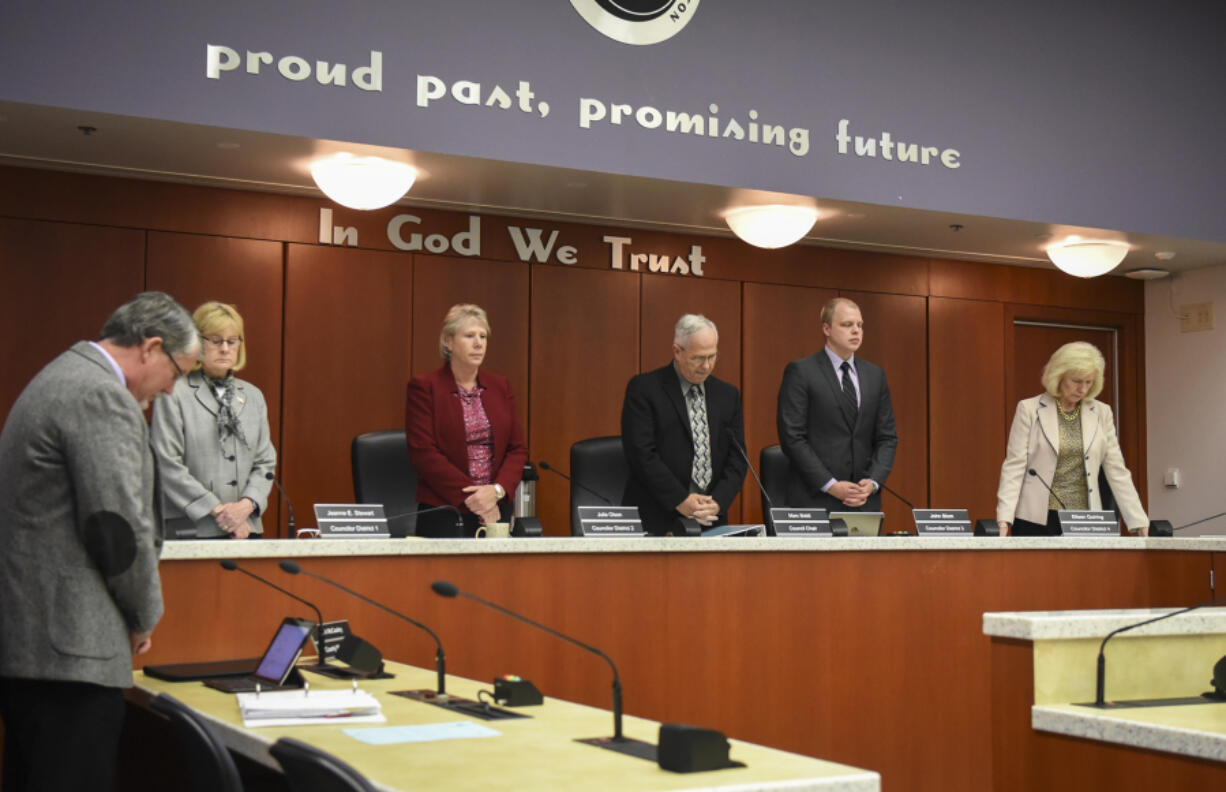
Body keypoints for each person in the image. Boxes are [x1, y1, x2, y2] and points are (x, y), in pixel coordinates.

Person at [0, 291, 198, 792]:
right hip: (71, 649)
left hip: (37, 645)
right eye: (178, 372)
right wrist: (143, 613)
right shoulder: (98, 394)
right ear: (151, 347)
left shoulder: (61, 375)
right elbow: (116, 525)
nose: (173, 390)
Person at [151, 301, 276, 539]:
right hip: (192, 529)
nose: (225, 348)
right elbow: (166, 462)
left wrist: (245, 507)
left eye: (233, 341)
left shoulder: (253, 396)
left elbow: (265, 462)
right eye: (216, 340)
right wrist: (221, 512)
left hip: (246, 528)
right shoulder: (174, 392)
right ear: (197, 343)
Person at [996, 341, 1148, 536]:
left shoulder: (1102, 412)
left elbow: (1117, 470)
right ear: (1058, 375)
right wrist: (1004, 519)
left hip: (1086, 518)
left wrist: (1139, 521)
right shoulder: (1029, 409)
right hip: (1038, 518)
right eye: (1077, 381)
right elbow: (1014, 467)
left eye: (1088, 382)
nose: (1083, 389)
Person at [406, 304, 528, 537]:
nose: (478, 343)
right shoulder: (425, 387)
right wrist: (474, 498)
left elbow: (517, 449)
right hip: (444, 510)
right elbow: (423, 453)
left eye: (483, 336)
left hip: (496, 510)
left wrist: (496, 491)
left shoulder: (500, 386)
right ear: (449, 342)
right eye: (469, 336)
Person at [621, 314, 748, 535]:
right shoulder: (645, 389)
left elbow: (737, 458)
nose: (706, 366)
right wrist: (680, 499)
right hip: (656, 518)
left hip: (711, 520)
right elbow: (641, 454)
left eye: (712, 356)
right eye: (698, 358)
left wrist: (718, 502)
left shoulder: (727, 395)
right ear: (677, 351)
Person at [777, 297, 898, 513]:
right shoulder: (802, 372)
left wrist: (873, 482)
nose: (856, 331)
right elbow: (792, 437)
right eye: (847, 325)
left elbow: (887, 437)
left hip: (864, 502)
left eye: (860, 325)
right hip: (814, 501)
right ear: (826, 328)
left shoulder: (875, 375)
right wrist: (830, 485)